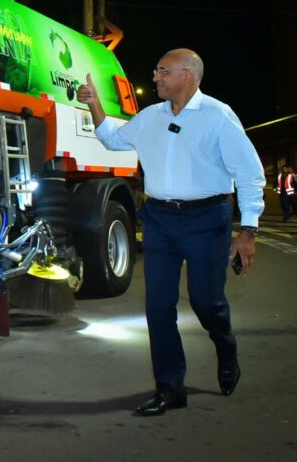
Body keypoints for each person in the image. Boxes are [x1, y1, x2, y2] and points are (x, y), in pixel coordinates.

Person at [77, 48, 265, 416]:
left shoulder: (218, 117)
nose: (156, 77)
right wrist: (95, 104)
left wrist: (248, 231)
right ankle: (170, 388)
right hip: (160, 220)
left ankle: (226, 349)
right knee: (157, 307)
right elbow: (114, 138)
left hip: (207, 219)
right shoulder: (150, 117)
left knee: (205, 301)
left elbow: (249, 173)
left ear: (187, 75)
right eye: (156, 70)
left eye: (163, 71)